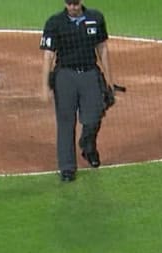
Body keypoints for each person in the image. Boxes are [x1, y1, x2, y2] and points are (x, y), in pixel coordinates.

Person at [40, 0, 114, 182]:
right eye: (69, 3)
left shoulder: (95, 18)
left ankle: (87, 145)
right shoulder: (54, 22)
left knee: (94, 116)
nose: (73, 7)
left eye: (75, 3)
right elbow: (48, 55)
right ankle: (67, 168)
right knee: (66, 122)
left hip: (89, 73)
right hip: (65, 76)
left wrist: (110, 79)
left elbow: (102, 49)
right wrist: (44, 86)